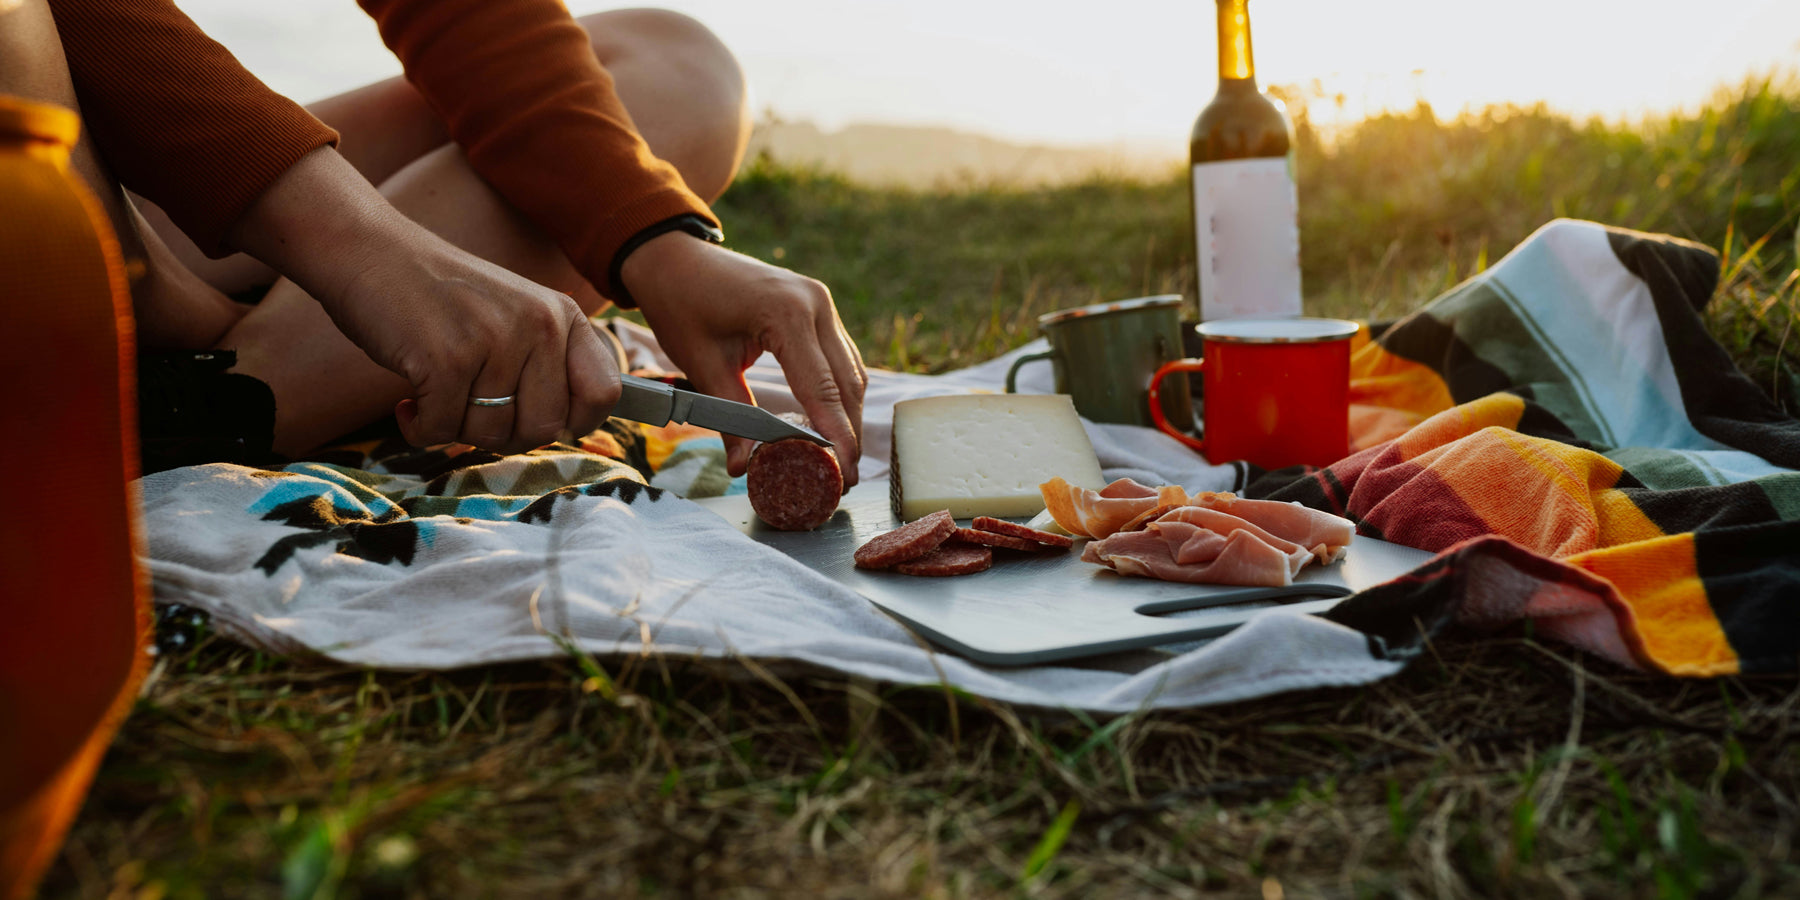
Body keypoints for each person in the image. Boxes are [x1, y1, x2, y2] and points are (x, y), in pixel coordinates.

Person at [17, 0, 867, 481]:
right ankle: (201, 393)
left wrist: (655, 237)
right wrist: (368, 249)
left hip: (107, 185)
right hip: (30, 170)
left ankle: (214, 379)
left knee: (677, 65)